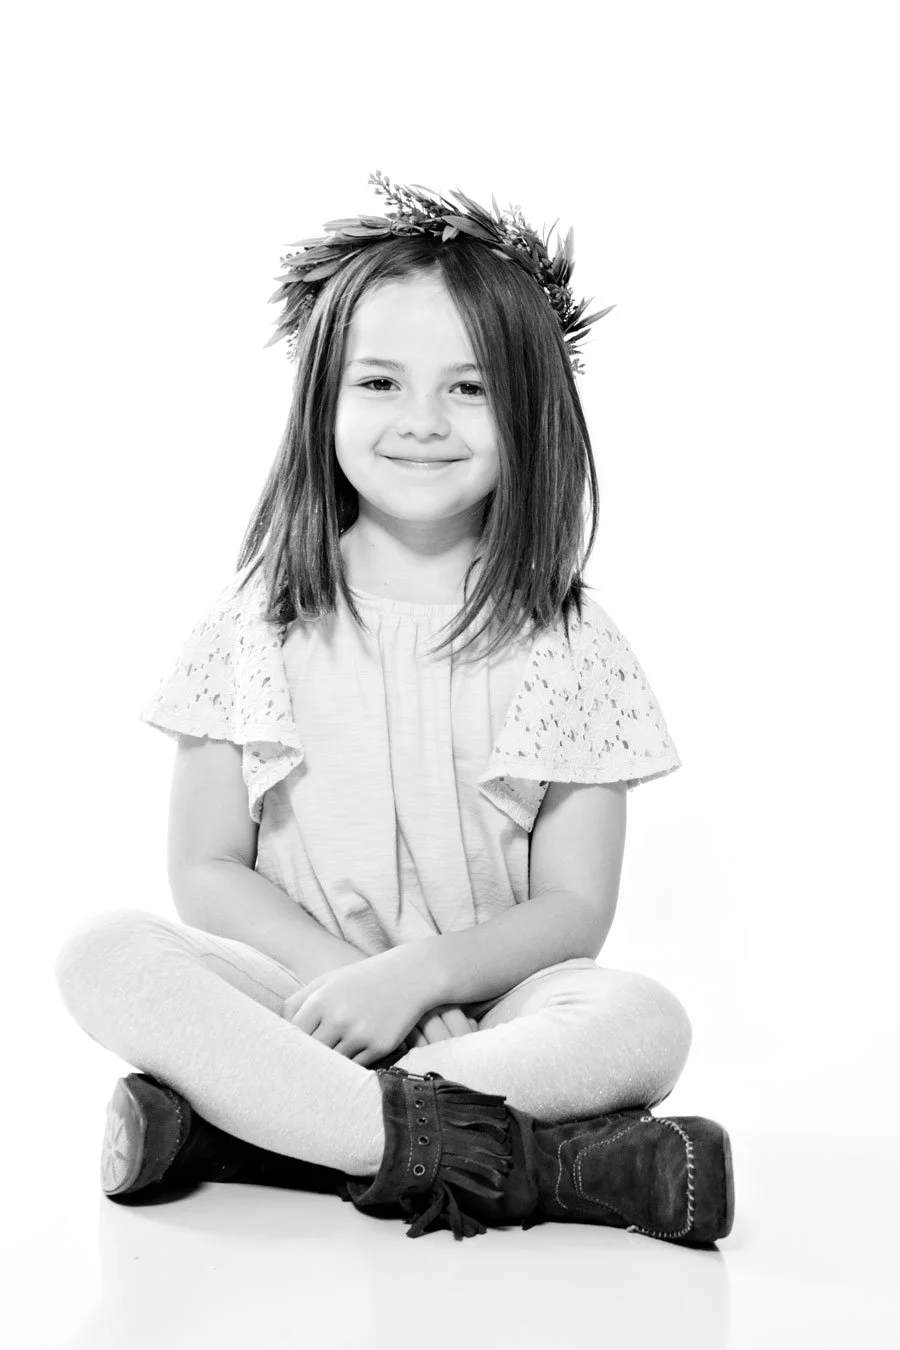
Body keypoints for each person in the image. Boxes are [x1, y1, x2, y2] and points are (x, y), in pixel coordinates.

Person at [53, 172, 734, 1244]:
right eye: (380, 382)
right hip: (303, 998)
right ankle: (540, 1167)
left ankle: (261, 1132)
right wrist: (349, 984)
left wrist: (419, 981)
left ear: (530, 412)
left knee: (642, 1021)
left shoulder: (571, 641)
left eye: (469, 389)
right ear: (324, 399)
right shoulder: (258, 621)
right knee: (104, 952)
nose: (422, 421)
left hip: (486, 1010)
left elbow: (572, 912)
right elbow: (205, 867)